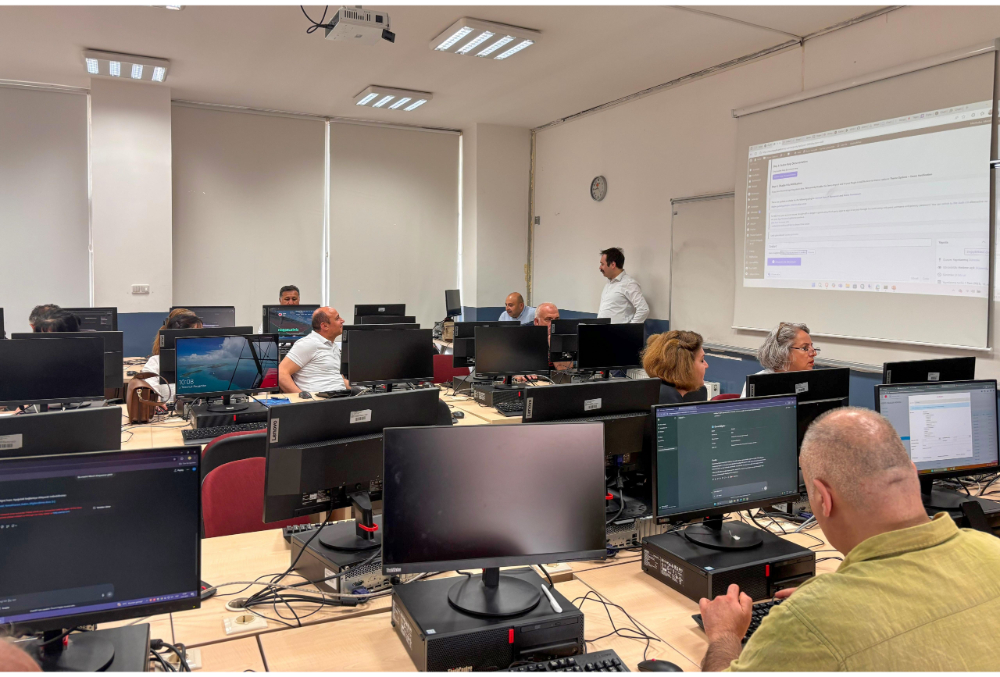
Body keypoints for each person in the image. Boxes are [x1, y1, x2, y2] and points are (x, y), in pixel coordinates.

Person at [698, 407, 1000, 671]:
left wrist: (725, 635)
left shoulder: (808, 621)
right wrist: (832, 599)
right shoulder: (991, 548)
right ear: (912, 473)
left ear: (823, 498)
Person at [278, 307, 349, 394]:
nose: (342, 320)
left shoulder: (333, 346)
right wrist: (301, 397)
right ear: (325, 326)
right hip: (319, 400)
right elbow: (281, 373)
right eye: (337, 318)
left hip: (339, 397)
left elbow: (336, 379)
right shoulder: (308, 343)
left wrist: (361, 388)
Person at [740, 321, 817, 397]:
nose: (814, 353)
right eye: (805, 348)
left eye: (812, 347)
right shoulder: (758, 383)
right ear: (784, 352)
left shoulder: (813, 380)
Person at [141, 311, 203, 402]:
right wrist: (155, 399)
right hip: (170, 409)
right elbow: (148, 386)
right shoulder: (156, 362)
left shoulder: (203, 359)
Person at [641, 330, 708, 404]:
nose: (706, 365)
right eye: (702, 360)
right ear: (684, 366)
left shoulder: (698, 393)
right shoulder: (666, 398)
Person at [597, 247, 648, 324]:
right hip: (602, 330)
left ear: (613, 265)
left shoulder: (628, 283)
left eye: (602, 264)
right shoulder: (609, 284)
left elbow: (643, 309)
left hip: (619, 332)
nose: (600, 267)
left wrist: (630, 329)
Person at [533, 302, 572, 371]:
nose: (553, 324)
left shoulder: (563, 338)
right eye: (548, 319)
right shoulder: (527, 339)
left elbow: (566, 370)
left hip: (556, 377)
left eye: (556, 319)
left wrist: (554, 344)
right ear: (536, 322)